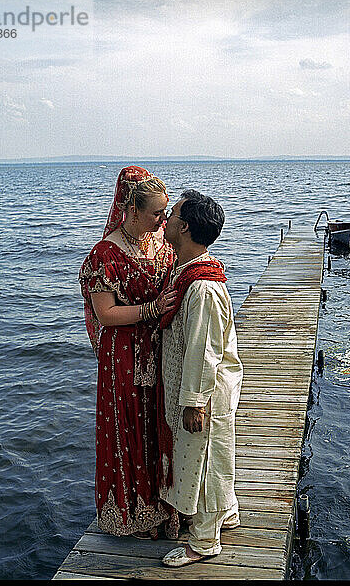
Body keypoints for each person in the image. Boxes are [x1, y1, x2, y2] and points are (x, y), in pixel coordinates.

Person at [78, 166, 180, 540]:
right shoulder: (105, 253)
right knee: (129, 428)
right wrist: (150, 311)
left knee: (159, 425)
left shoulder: (162, 244)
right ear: (132, 210)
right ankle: (133, 514)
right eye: (156, 213)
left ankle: (164, 506)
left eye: (165, 213)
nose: (163, 220)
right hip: (123, 353)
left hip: (160, 348)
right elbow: (105, 314)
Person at [158, 190, 243, 567]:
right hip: (209, 387)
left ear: (186, 226)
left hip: (205, 392)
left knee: (203, 461)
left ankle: (204, 542)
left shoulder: (202, 286)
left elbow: (204, 348)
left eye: (173, 214)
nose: (167, 219)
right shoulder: (190, 271)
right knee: (217, 454)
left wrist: (194, 401)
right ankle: (228, 513)